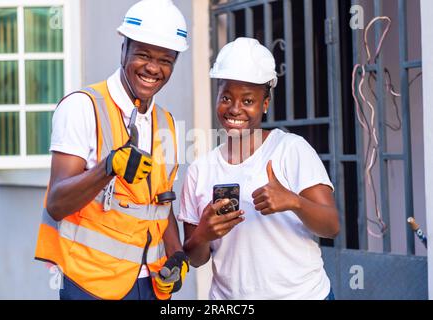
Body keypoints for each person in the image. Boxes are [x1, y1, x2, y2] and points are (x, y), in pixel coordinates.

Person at [35, 0, 190, 300]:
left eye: (166, 60)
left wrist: (177, 254)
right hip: (91, 283)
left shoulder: (167, 123)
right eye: (143, 54)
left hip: (151, 283)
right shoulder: (83, 107)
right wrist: (108, 168)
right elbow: (56, 203)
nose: (153, 68)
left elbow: (161, 202)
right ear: (124, 49)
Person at [178, 37, 340, 300]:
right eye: (226, 97)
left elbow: (331, 226)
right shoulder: (200, 169)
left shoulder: (290, 149)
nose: (235, 109)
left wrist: (294, 202)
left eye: (248, 100)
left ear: (265, 104)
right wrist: (202, 235)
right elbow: (196, 259)